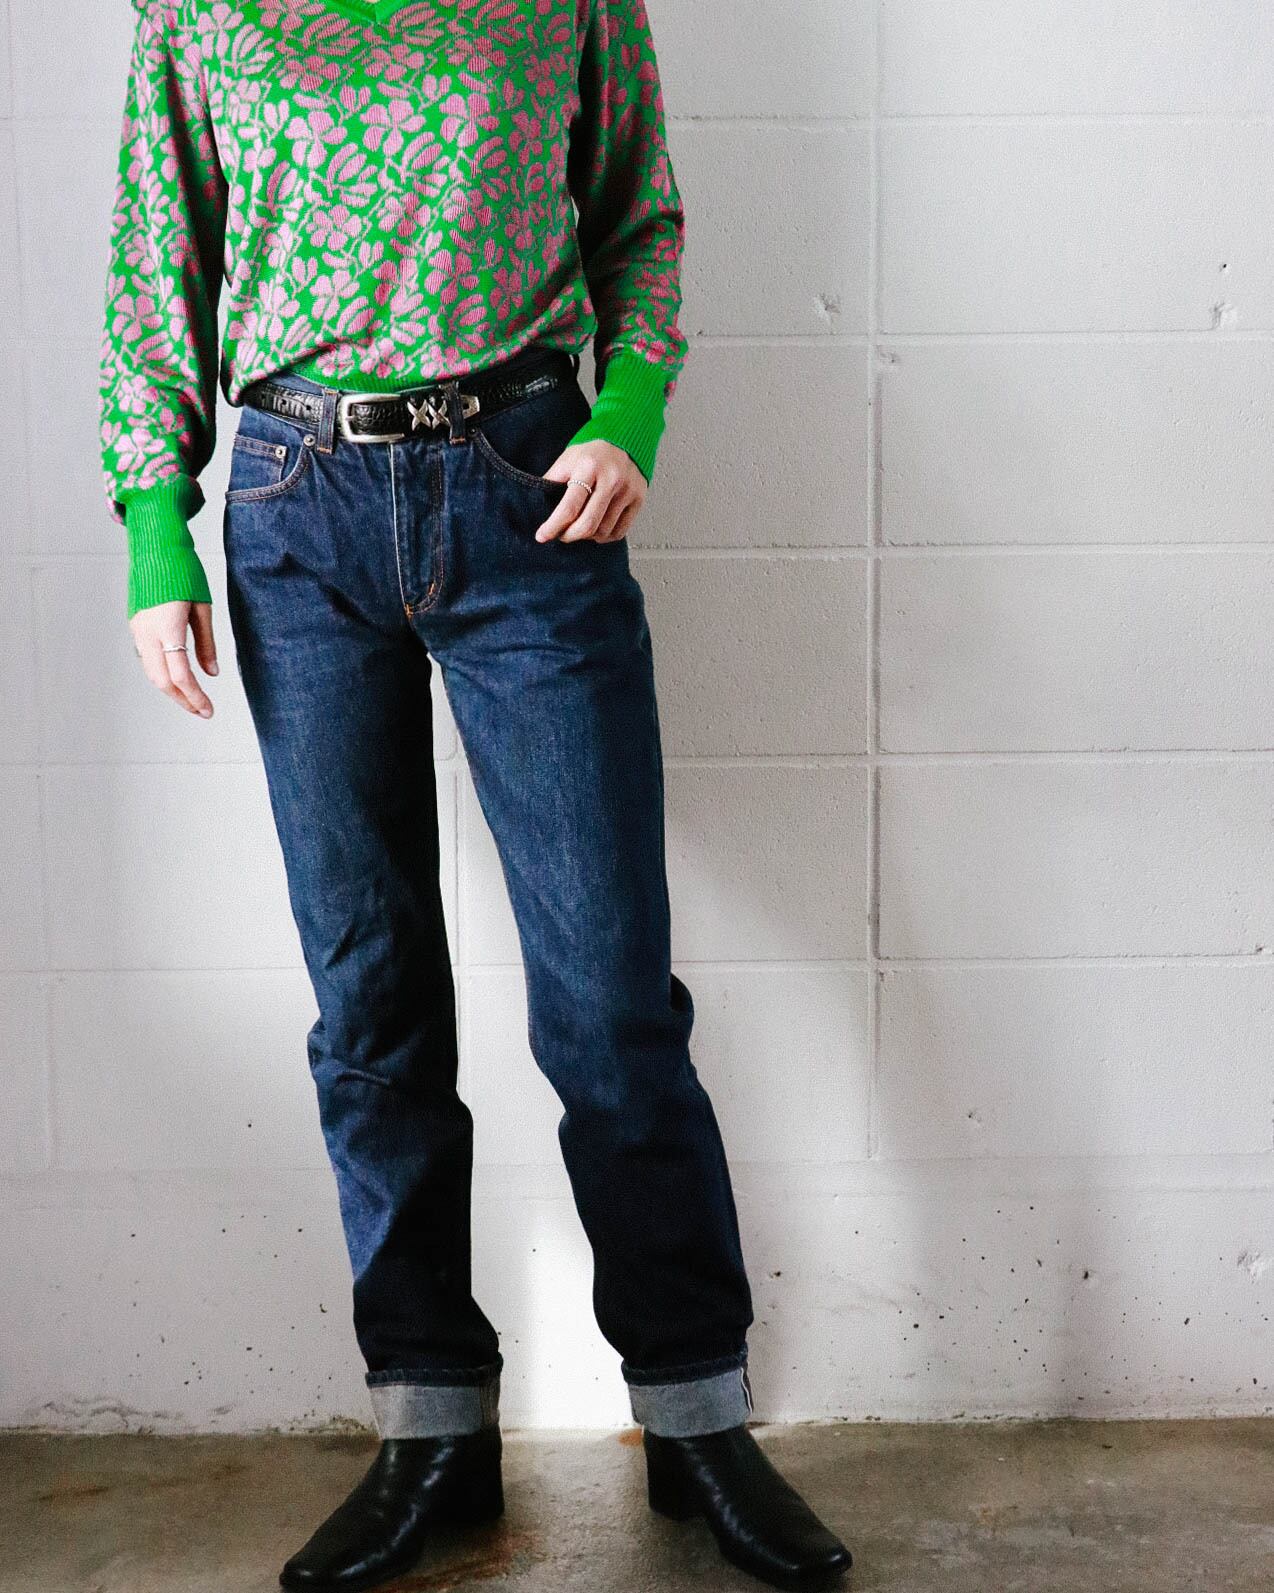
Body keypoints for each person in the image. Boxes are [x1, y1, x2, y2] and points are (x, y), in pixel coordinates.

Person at [99, 2, 853, 1589]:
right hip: (296, 505)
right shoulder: (196, 8)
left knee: (606, 997)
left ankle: (695, 1418)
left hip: (528, 488)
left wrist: (628, 410)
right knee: (368, 995)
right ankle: (430, 1422)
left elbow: (637, 216)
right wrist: (155, 526)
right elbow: (156, 262)